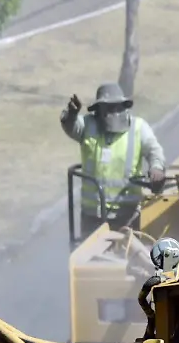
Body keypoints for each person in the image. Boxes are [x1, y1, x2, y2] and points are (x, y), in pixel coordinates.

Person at [62, 82, 166, 238]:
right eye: (106, 108)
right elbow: (71, 127)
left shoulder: (138, 128)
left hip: (127, 215)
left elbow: (154, 150)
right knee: (89, 260)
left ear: (124, 107)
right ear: (97, 110)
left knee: (128, 258)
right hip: (92, 217)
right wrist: (71, 115)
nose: (112, 114)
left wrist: (156, 167)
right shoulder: (88, 126)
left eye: (116, 107)